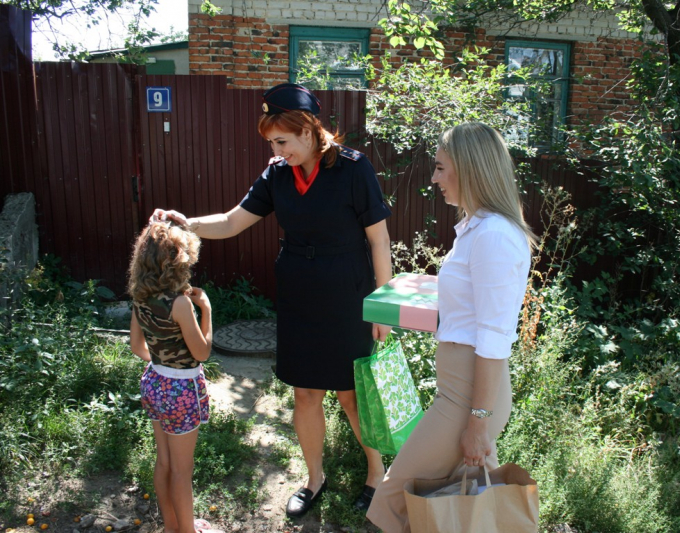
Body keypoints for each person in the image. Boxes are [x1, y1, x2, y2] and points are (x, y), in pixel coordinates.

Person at [150, 83, 392, 518]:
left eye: (282, 141)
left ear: (308, 130)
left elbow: (379, 240)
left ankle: (376, 473)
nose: (278, 151)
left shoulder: (355, 169)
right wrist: (188, 223)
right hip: (300, 294)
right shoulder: (278, 174)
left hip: (348, 294)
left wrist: (382, 306)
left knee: (352, 393)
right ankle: (315, 478)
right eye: (271, 144)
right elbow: (231, 221)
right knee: (305, 394)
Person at [367, 122, 534, 532]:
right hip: (463, 390)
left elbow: (494, 340)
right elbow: (468, 315)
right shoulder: (478, 229)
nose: (434, 178)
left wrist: (477, 423)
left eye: (441, 168)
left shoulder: (493, 235)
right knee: (466, 506)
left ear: (469, 167)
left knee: (394, 499)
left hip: (468, 396)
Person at [127, 221, 220, 533]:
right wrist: (205, 309)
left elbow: (136, 346)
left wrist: (161, 363)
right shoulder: (180, 304)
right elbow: (203, 352)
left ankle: (171, 528)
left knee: (164, 462)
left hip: (153, 382)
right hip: (181, 390)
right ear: (175, 262)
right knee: (182, 471)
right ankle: (188, 531)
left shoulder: (140, 296)